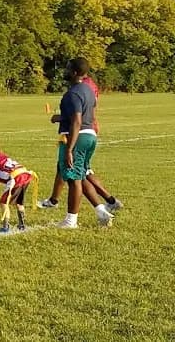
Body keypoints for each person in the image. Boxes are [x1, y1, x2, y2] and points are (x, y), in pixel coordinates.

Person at [38, 74, 123, 212]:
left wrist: (69, 148)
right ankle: (55, 200)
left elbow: (78, 117)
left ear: (76, 72)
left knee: (78, 176)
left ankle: (104, 206)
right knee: (78, 172)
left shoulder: (80, 88)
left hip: (79, 133)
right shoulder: (88, 87)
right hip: (87, 131)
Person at [53, 58, 114, 229]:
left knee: (74, 179)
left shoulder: (72, 93)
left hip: (77, 137)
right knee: (81, 175)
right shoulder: (88, 89)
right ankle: (102, 211)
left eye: (67, 68)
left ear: (73, 72)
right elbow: (88, 114)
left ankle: (71, 220)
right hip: (90, 135)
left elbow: (77, 120)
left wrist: (69, 149)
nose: (65, 71)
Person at [0, 137, 35, 232]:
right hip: (25, 174)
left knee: (3, 203)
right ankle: (22, 225)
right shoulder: (2, 155)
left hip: (15, 178)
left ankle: (5, 227)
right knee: (19, 202)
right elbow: (3, 173)